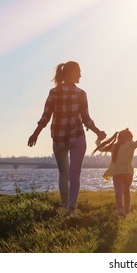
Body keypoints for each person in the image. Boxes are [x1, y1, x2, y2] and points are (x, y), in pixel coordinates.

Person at [28, 61, 106, 212]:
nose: (81, 75)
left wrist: (35, 134)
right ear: (71, 73)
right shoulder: (81, 94)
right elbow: (86, 119)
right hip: (77, 137)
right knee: (75, 173)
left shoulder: (53, 92)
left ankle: (64, 205)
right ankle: (71, 208)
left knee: (63, 173)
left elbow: (45, 117)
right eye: (79, 72)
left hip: (58, 139)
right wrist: (98, 132)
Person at [93, 128, 137, 216]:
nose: (132, 139)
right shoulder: (131, 145)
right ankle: (127, 211)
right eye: (131, 137)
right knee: (126, 192)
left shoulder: (115, 147)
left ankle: (120, 210)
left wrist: (98, 140)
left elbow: (100, 148)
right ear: (128, 138)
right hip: (128, 173)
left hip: (117, 173)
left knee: (118, 193)